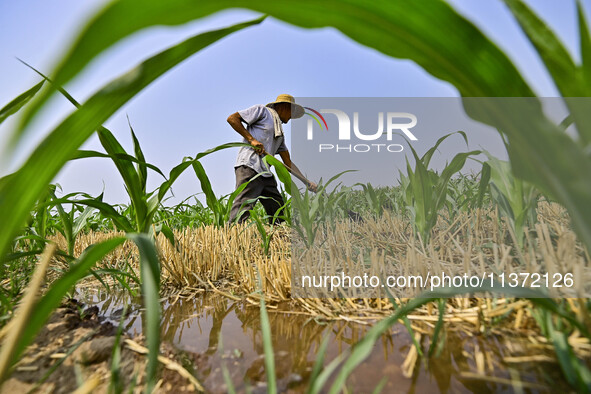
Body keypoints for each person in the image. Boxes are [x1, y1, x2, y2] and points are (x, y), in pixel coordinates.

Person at [227, 94, 317, 224]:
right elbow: (232, 119)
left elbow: (288, 162)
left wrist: (306, 182)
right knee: (243, 205)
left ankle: (277, 238)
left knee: (277, 206)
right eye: (292, 112)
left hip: (265, 173)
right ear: (285, 107)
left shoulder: (279, 134)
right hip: (250, 167)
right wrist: (252, 140)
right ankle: (232, 234)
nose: (291, 116)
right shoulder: (262, 111)